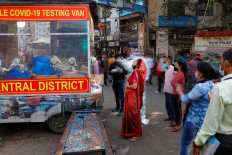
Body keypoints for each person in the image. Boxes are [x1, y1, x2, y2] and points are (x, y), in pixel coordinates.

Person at [174, 62, 220, 155]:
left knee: (185, 144)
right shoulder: (212, 84)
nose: (196, 71)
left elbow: (185, 99)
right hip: (205, 121)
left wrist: (178, 89)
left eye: (197, 70)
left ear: (201, 73)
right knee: (200, 144)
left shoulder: (200, 87)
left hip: (193, 121)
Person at [193, 49, 232, 155]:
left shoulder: (220, 88)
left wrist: (198, 142)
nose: (221, 65)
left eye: (221, 61)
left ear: (227, 63)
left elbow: (211, 122)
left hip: (225, 142)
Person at [121, 59, 144, 142]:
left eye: (134, 62)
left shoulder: (135, 72)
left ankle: (138, 134)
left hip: (132, 98)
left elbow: (134, 86)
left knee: (134, 115)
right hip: (131, 97)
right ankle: (131, 132)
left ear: (137, 65)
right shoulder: (135, 72)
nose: (132, 63)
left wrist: (127, 86)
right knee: (132, 114)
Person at [169, 60, 187, 132]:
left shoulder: (180, 74)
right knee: (175, 109)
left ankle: (178, 125)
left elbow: (173, 83)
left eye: (176, 65)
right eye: (174, 65)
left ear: (180, 67)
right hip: (174, 93)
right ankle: (176, 122)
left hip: (178, 94)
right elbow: (173, 82)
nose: (174, 67)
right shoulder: (177, 73)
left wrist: (173, 83)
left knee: (178, 110)